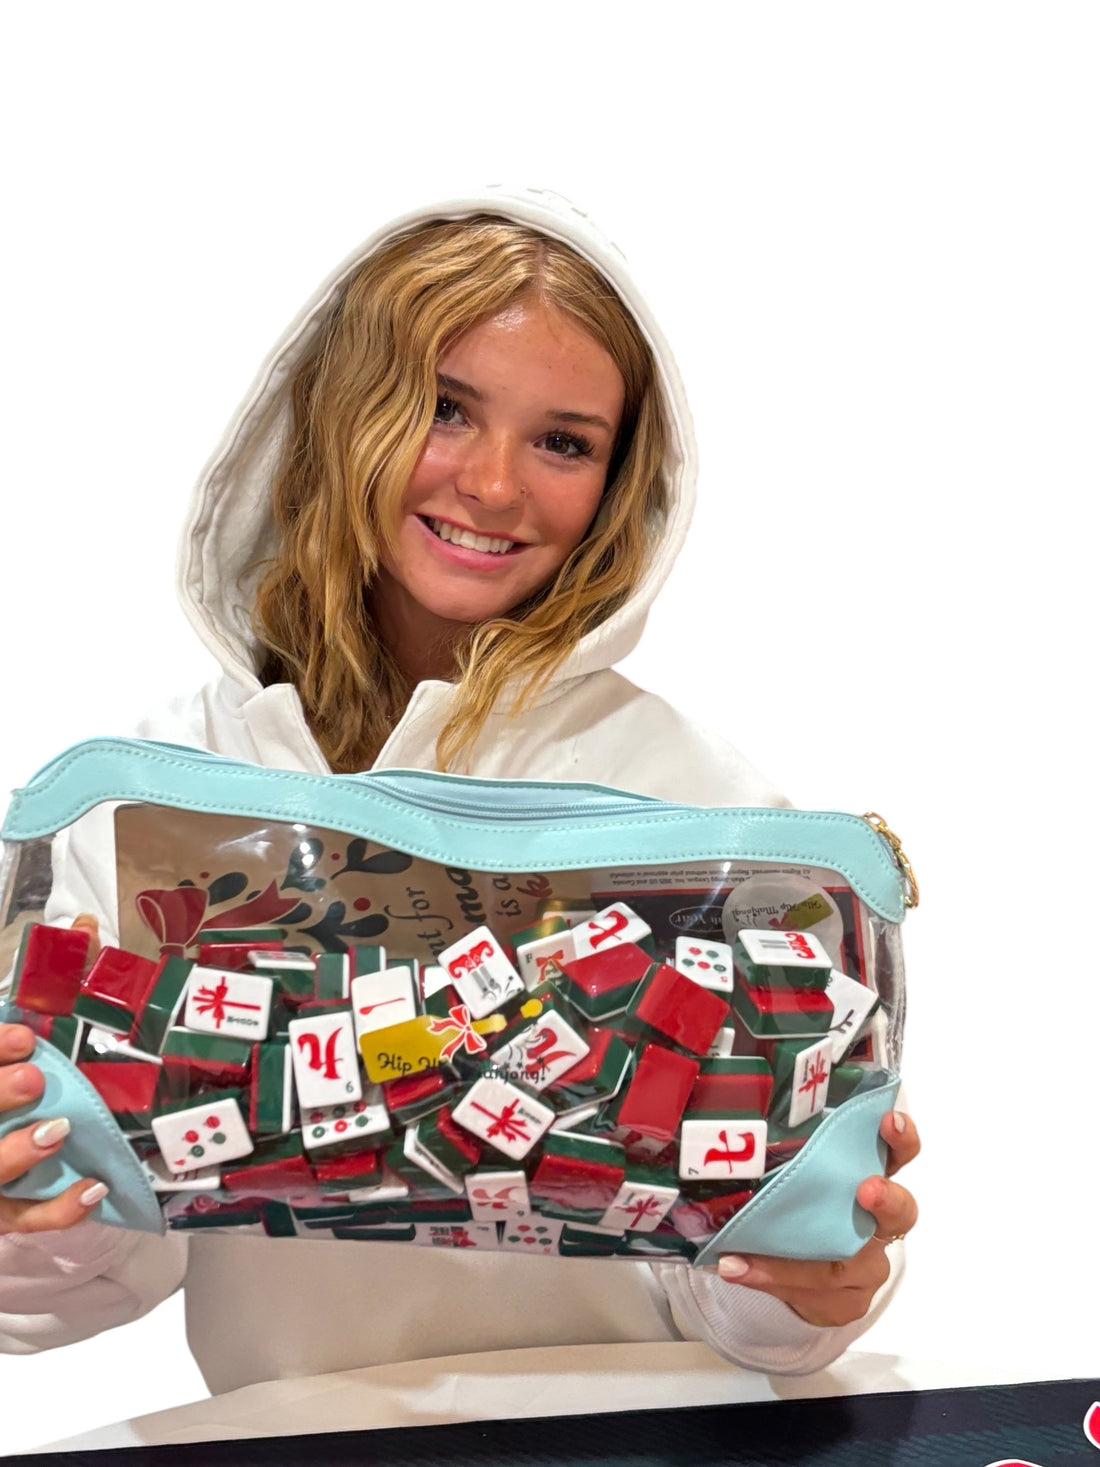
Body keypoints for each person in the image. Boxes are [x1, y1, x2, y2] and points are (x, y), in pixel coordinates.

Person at [0, 187, 918, 1394]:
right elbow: (81, 1291)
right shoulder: (151, 801)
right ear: (340, 412)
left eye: (562, 441)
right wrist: (28, 1189)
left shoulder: (694, 799)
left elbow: (750, 1295)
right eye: (443, 409)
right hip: (293, 1439)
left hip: (633, 1433)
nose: (492, 486)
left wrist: (808, 1284)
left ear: (617, 483)